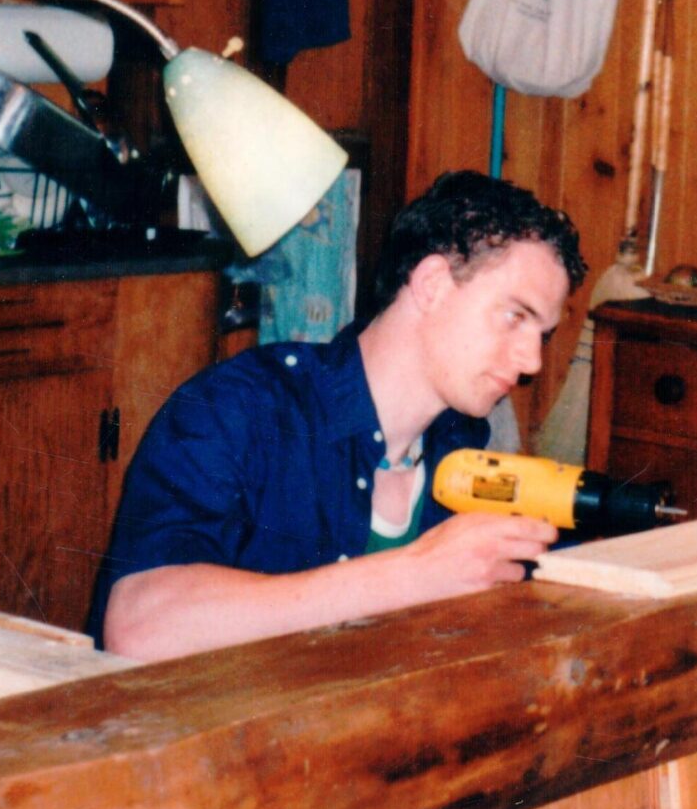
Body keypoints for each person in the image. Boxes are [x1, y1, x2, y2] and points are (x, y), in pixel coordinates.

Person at [92, 170, 582, 661]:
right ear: (432, 284)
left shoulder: (463, 443)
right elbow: (138, 626)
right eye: (515, 316)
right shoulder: (241, 407)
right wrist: (411, 575)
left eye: (542, 334)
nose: (532, 362)